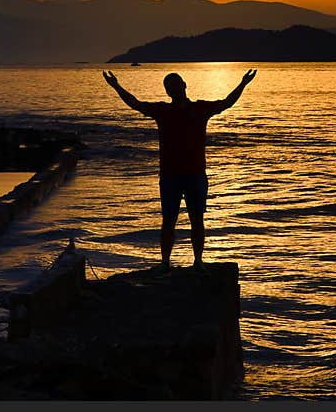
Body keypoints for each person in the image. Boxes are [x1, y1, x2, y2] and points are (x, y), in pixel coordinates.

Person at [102, 68, 257, 271]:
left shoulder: (200, 109)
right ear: (167, 92)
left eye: (176, 84)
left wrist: (243, 84)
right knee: (168, 221)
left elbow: (226, 103)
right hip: (170, 176)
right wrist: (116, 86)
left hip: (195, 175)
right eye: (169, 86)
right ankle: (165, 262)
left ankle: (198, 261)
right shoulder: (162, 111)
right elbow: (135, 103)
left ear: (184, 85)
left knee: (197, 220)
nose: (174, 88)